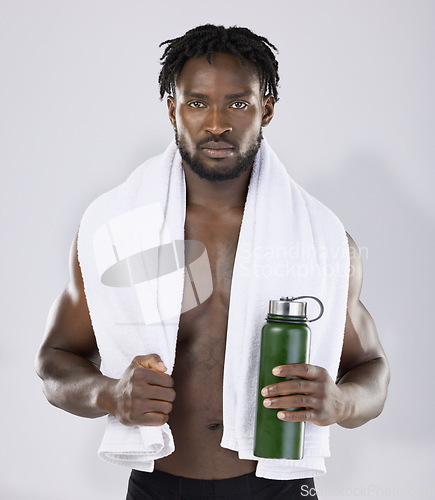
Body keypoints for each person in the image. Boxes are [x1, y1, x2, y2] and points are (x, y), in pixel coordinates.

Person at [35, 24, 390, 499]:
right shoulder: (114, 230)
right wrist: (109, 395)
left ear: (266, 109)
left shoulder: (322, 238)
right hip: (159, 486)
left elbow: (373, 369)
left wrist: (342, 402)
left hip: (278, 487)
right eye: (197, 102)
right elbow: (54, 363)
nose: (217, 123)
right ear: (172, 110)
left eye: (237, 103)